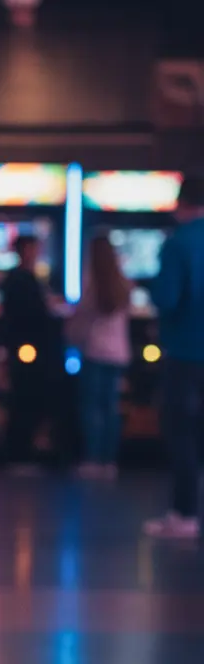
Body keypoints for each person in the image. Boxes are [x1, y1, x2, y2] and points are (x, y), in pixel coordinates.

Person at [143, 172, 204, 539]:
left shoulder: (177, 243)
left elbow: (167, 298)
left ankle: (184, 514)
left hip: (185, 351)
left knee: (181, 431)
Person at [68, 235, 131, 478]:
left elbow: (79, 322)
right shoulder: (123, 283)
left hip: (95, 351)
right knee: (111, 407)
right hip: (119, 353)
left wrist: (70, 339)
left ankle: (93, 459)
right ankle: (109, 461)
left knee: (92, 407)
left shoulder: (92, 284)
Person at [1, 233, 55, 473]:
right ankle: (18, 454)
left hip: (30, 349)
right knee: (24, 399)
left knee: (31, 399)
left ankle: (23, 453)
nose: (35, 253)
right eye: (32, 249)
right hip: (25, 349)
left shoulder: (27, 277)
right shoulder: (19, 278)